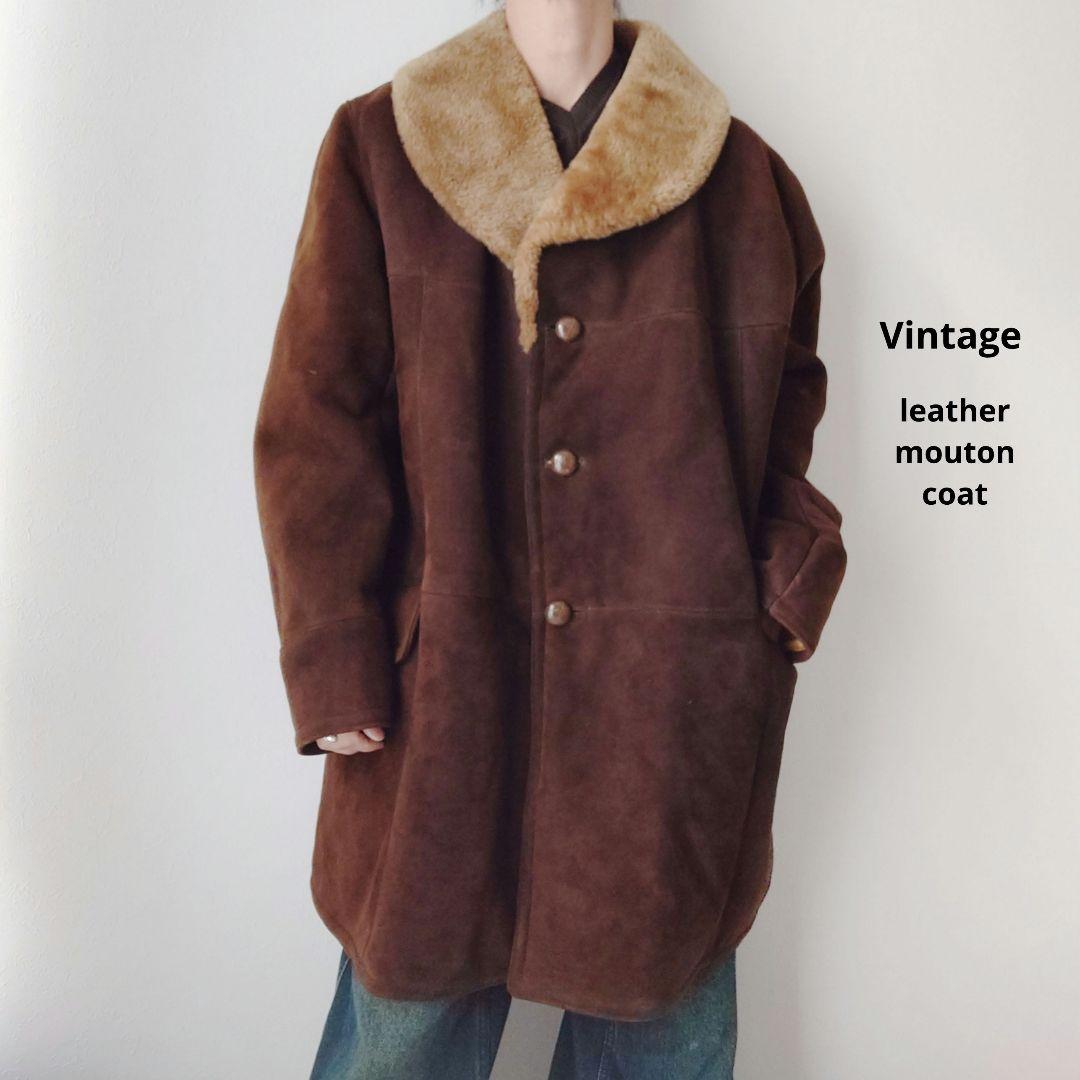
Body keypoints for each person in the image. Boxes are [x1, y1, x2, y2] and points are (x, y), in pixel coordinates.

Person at [252, 0, 847, 1075]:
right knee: (404, 1033)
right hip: (439, 712)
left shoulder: (742, 180)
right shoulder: (384, 149)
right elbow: (316, 423)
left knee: (663, 1029)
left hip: (664, 727)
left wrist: (777, 601)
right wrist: (334, 658)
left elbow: (785, 433)